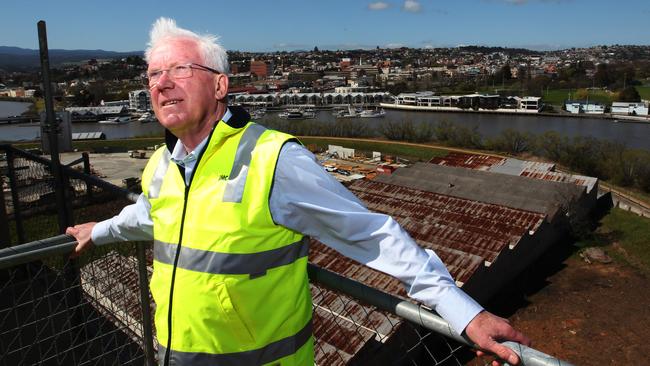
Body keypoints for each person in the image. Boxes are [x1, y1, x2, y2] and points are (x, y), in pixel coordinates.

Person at [66, 17, 530, 366]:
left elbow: (371, 234)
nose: (161, 83)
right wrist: (100, 230)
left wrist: (462, 311)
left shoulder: (273, 159)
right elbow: (150, 217)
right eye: (152, 74)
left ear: (220, 84)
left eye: (179, 70)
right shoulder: (162, 164)